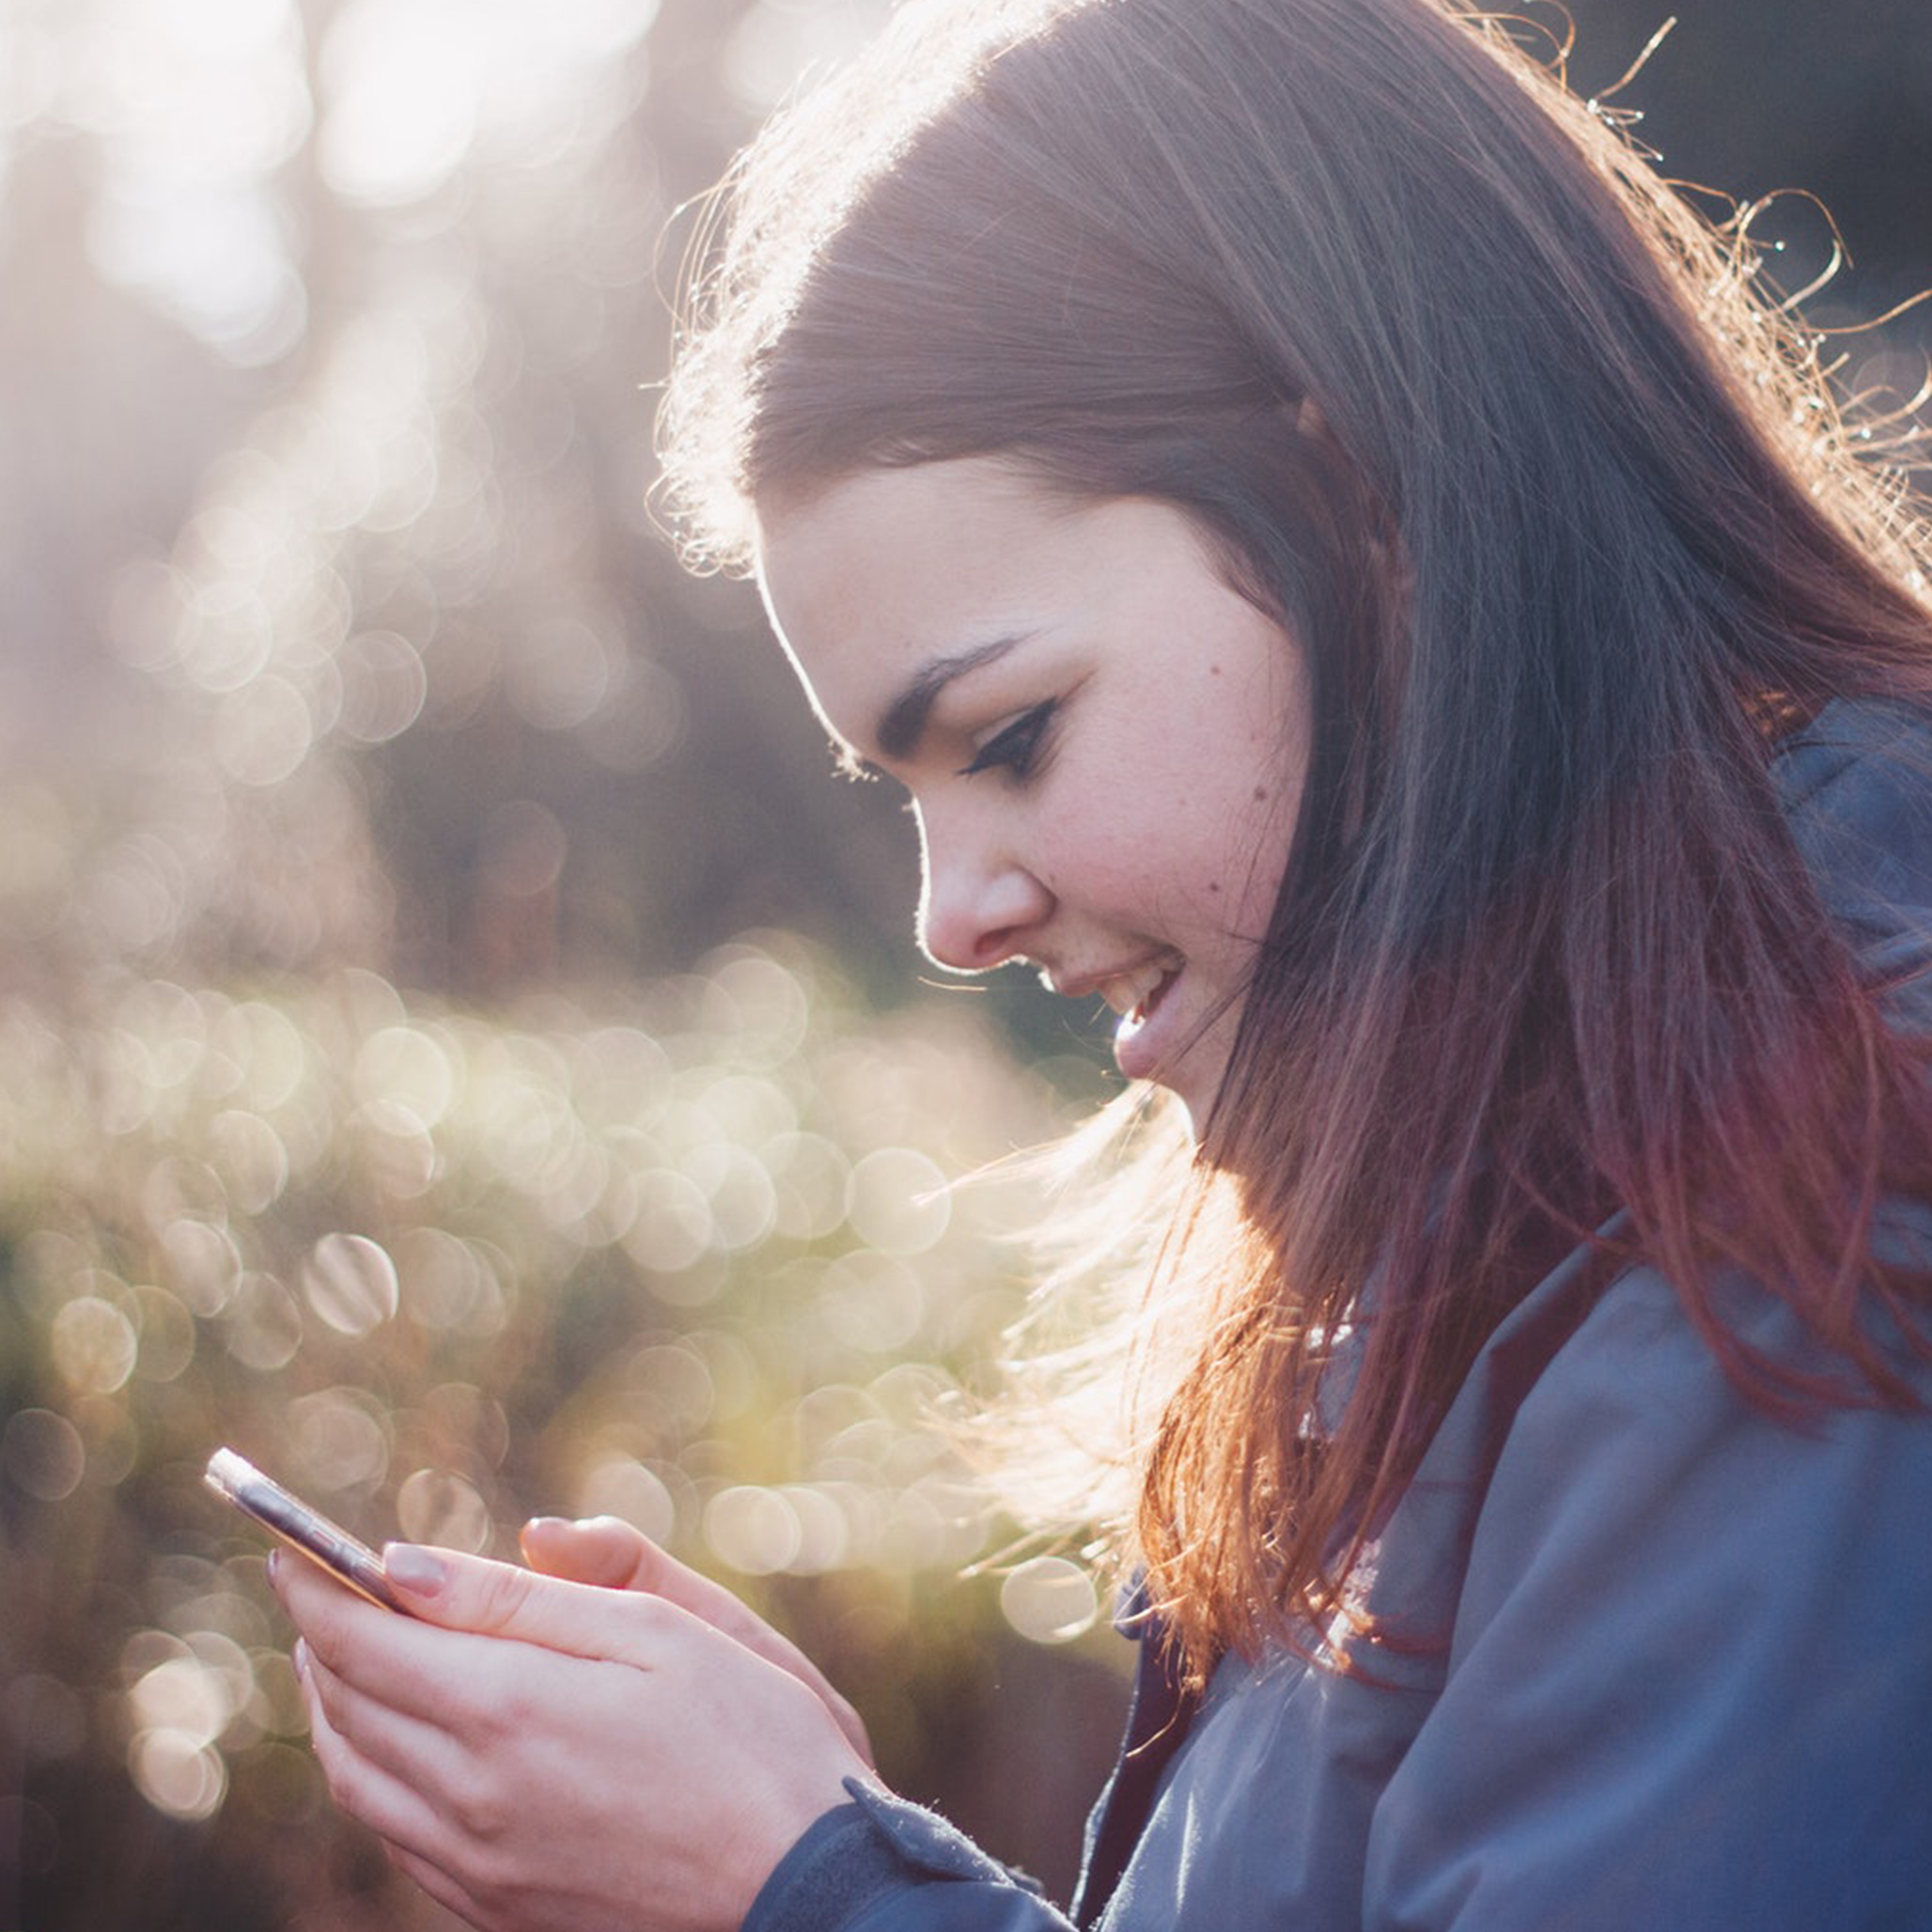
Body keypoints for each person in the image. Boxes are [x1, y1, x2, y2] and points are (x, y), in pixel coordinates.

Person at [272, 0, 1932, 1925]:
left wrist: (792, 1887)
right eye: (901, 789)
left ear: (1363, 509)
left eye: (1004, 737)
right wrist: (822, 1839)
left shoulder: (1814, 1221)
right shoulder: (1511, 1191)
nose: (947, 912)